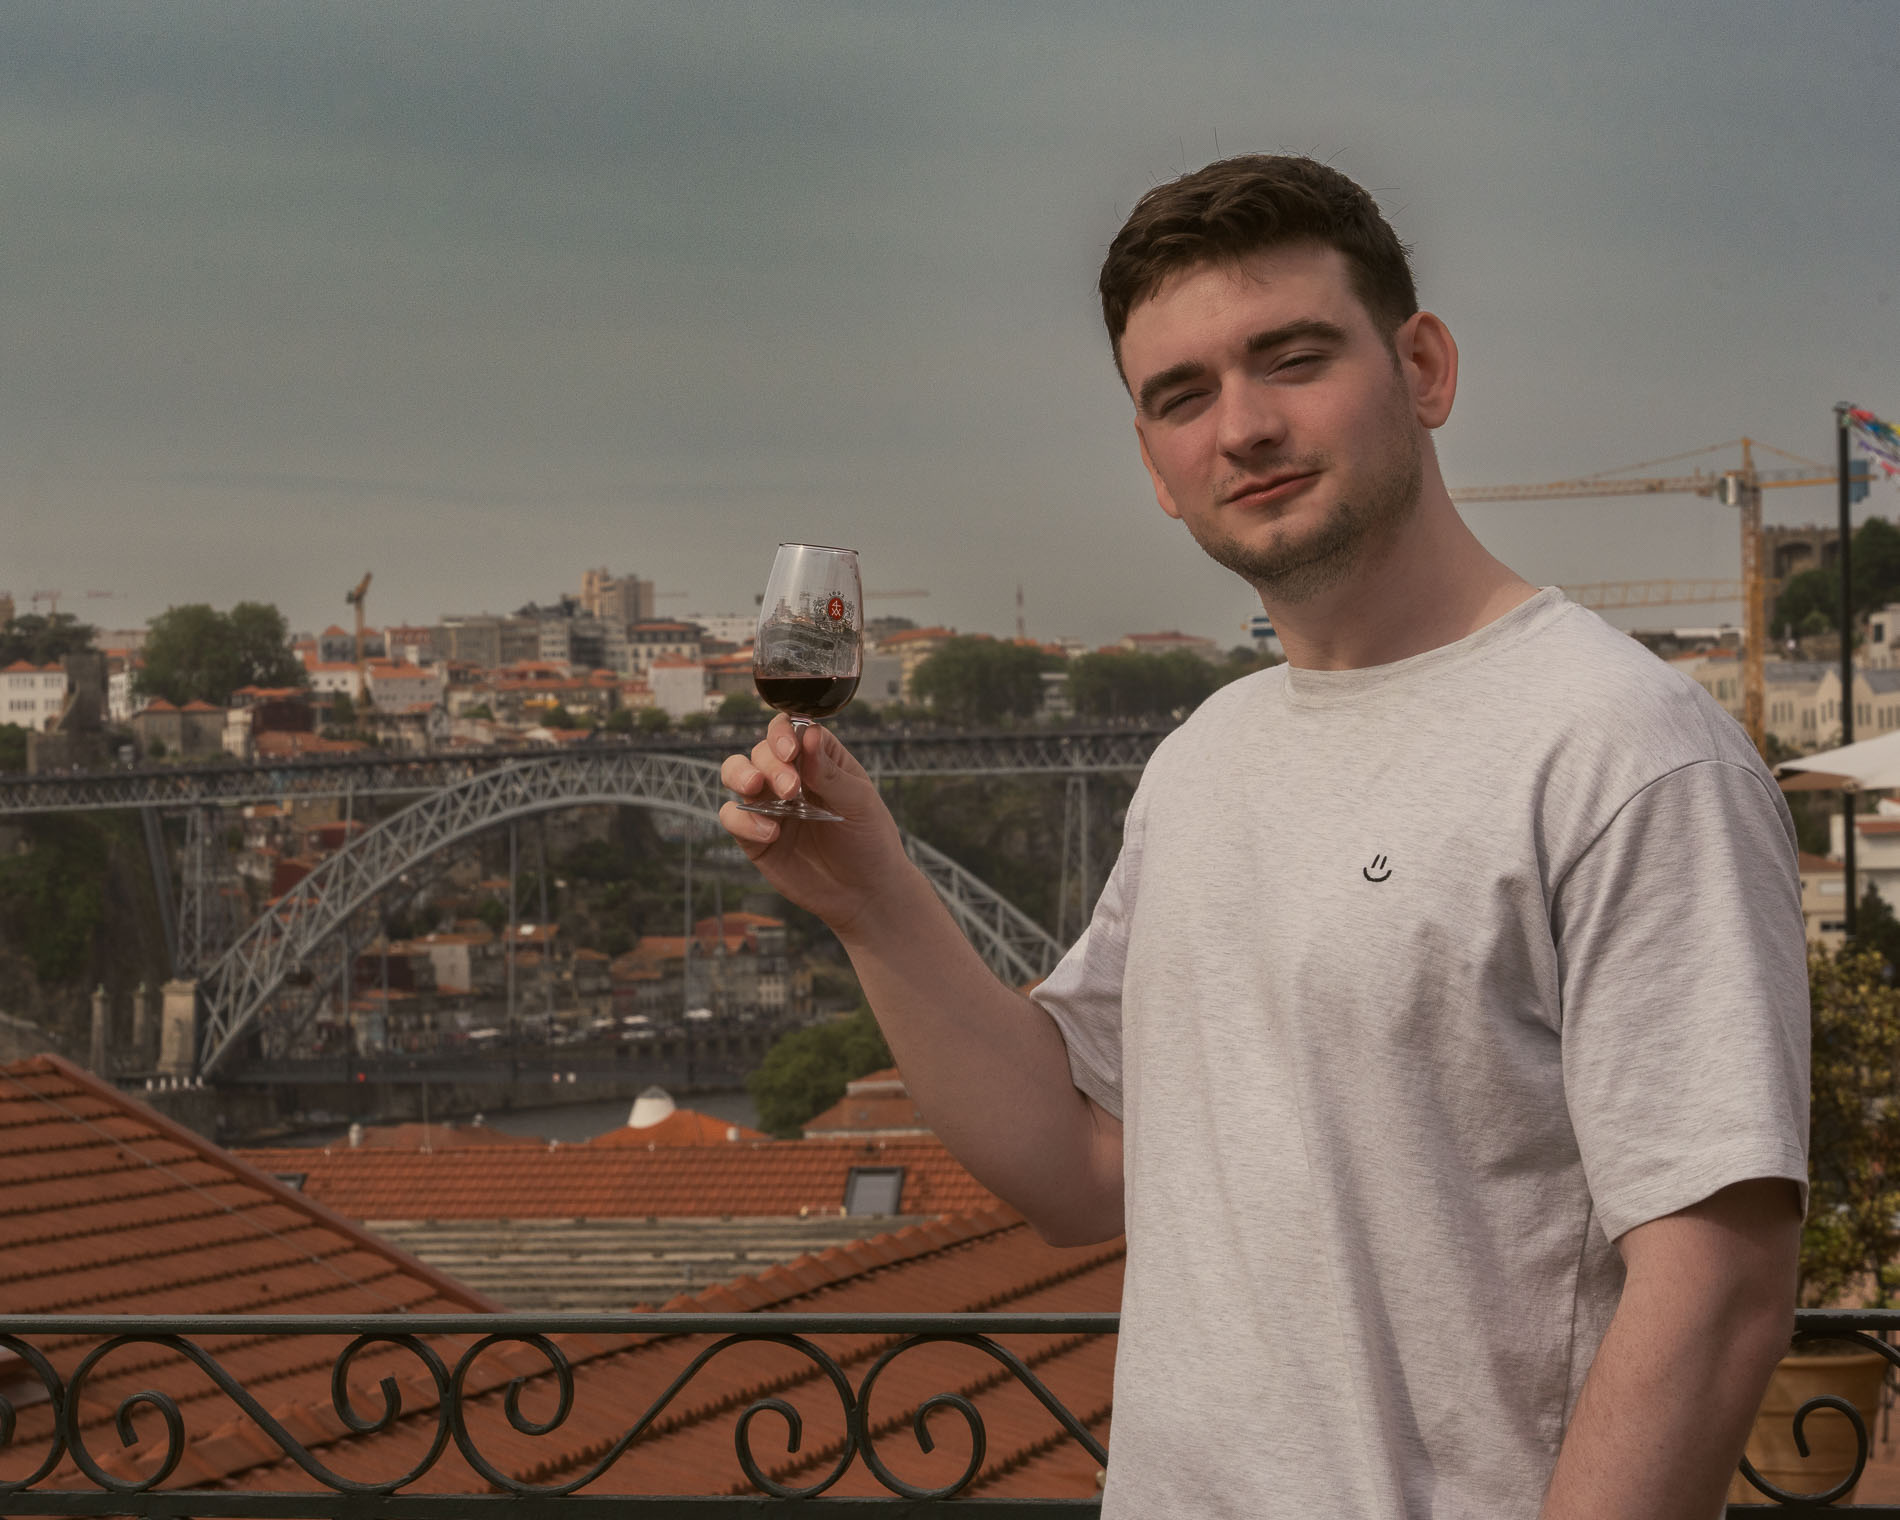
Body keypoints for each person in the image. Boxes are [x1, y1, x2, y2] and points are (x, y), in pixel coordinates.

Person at [719, 155, 1809, 1518]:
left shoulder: (1628, 750)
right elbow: (1079, 1168)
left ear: (1423, 369)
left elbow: (1719, 1285)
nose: (1241, 427)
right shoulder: (1204, 760)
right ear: (1155, 467)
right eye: (1182, 396)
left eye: (1290, 360)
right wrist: (872, 899)